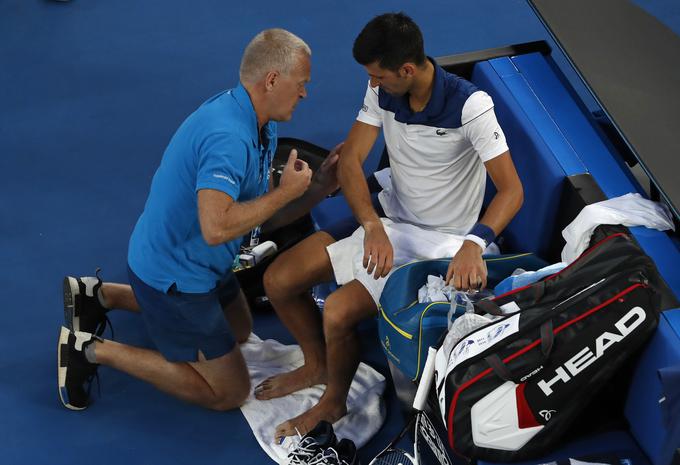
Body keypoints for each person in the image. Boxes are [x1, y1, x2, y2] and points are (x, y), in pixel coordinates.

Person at [256, 13, 524, 439]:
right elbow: (350, 160)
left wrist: (475, 243)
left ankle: (333, 401)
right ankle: (317, 364)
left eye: (379, 75)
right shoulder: (381, 90)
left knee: (340, 311)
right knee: (278, 280)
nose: (373, 84)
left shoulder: (471, 106)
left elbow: (511, 191)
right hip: (386, 219)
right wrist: (371, 224)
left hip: (441, 243)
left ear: (407, 70)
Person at [57, 28, 342, 412]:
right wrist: (285, 192)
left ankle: (99, 295)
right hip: (176, 278)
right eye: (302, 83)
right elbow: (216, 228)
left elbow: (260, 217)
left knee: (240, 332)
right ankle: (88, 349)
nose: (305, 92)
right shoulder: (228, 137)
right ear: (272, 80)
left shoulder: (260, 121)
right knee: (228, 392)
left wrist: (317, 190)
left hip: (205, 265)